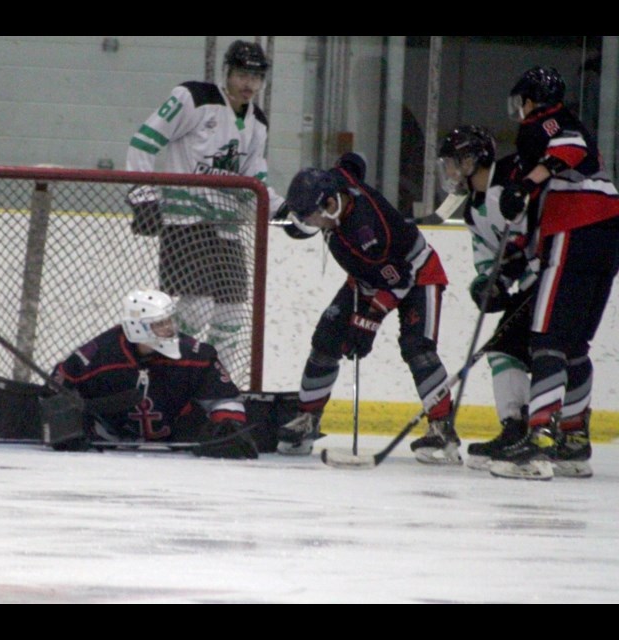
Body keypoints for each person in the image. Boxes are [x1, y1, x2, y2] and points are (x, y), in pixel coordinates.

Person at [274, 153, 458, 464]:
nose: (307, 223)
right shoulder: (336, 183)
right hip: (366, 277)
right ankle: (307, 420)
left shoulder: (368, 233)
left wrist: (367, 323)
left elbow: (398, 281)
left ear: (329, 206)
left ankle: (442, 431)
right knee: (326, 338)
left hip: (417, 273)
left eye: (308, 217)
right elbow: (352, 163)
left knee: (418, 348)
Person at [124, 40, 285, 375]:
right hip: (186, 220)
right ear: (226, 72)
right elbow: (144, 141)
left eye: (256, 78)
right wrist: (143, 196)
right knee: (195, 311)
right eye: (242, 74)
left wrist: (286, 212)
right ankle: (153, 363)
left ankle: (214, 383)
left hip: (226, 227)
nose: (248, 84)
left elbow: (252, 183)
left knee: (231, 315)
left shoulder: (258, 122)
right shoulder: (194, 98)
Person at [491, 66, 619, 480]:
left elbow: (572, 148)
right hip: (605, 233)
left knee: (546, 338)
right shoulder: (545, 139)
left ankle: (540, 436)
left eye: (521, 100)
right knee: (573, 343)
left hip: (577, 226)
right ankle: (574, 438)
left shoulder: (546, 123)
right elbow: (535, 217)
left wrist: (525, 184)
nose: (520, 109)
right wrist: (513, 256)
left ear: (532, 98)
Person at [46, 288, 258, 459]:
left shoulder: (196, 354)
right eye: (159, 324)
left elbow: (224, 397)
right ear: (137, 328)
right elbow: (56, 389)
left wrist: (229, 426)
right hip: (109, 449)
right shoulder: (98, 354)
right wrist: (67, 425)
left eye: (169, 320)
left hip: (181, 448)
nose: (169, 328)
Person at [436, 125, 539, 470]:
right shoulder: (472, 211)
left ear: (471, 160)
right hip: (525, 287)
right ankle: (516, 426)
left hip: (546, 278)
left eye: (452, 163)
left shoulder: (511, 181)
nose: (448, 172)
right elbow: (486, 261)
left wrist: (512, 268)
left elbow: (536, 234)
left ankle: (540, 430)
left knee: (535, 353)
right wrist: (486, 285)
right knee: (502, 351)